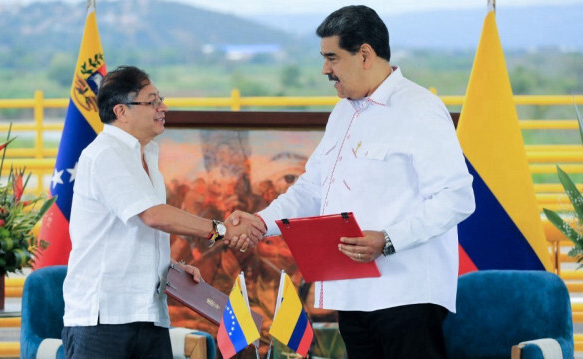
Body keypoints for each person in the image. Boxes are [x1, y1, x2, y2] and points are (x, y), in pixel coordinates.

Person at [231, 6, 475, 359]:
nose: (325, 69)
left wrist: (388, 241)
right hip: (352, 292)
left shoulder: (419, 108)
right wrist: (260, 222)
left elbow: (456, 197)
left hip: (406, 294)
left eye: (332, 57)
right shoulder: (343, 112)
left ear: (364, 54)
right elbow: (312, 189)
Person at [61, 65, 264, 359]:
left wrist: (169, 267)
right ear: (121, 111)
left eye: (161, 99)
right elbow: (154, 215)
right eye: (152, 101)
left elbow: (130, 235)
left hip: (148, 314)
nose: (163, 107)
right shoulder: (105, 153)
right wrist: (223, 230)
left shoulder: (147, 156)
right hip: (104, 319)